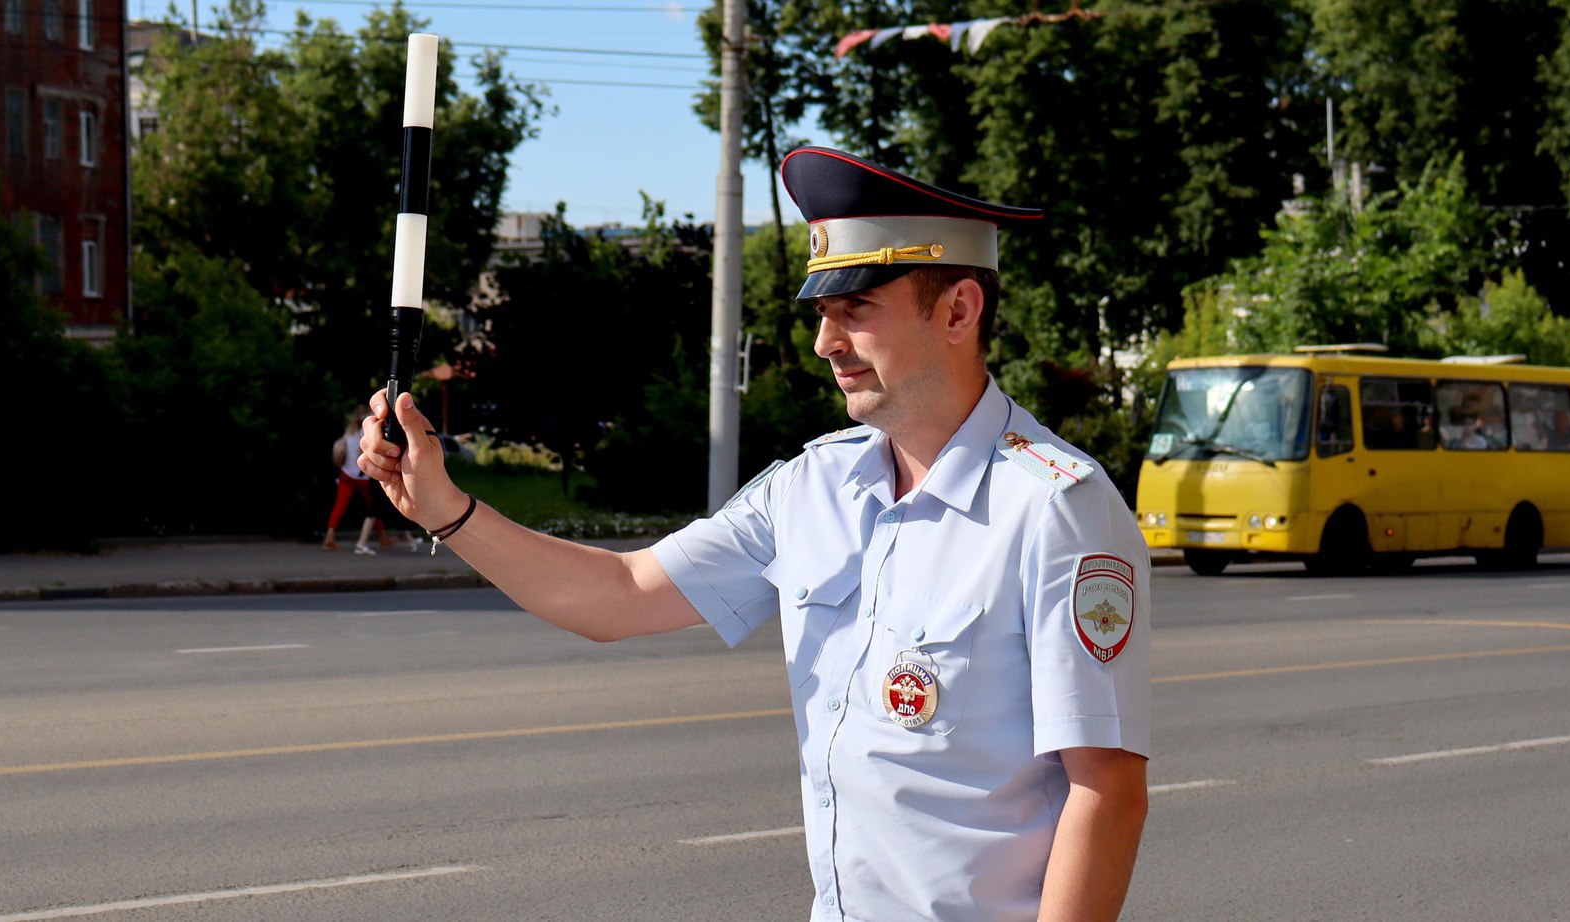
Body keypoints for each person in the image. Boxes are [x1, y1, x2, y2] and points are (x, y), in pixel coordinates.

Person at [356, 146, 1150, 920]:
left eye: (857, 310)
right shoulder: (814, 487)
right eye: (824, 313)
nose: (825, 343)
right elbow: (619, 595)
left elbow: (1106, 789)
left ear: (958, 310)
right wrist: (447, 512)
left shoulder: (1054, 507)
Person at [323, 406, 402, 554]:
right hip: (363, 476)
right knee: (373, 507)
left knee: (340, 506)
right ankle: (383, 538)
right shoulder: (366, 434)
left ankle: (329, 537)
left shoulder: (348, 434)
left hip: (346, 474)